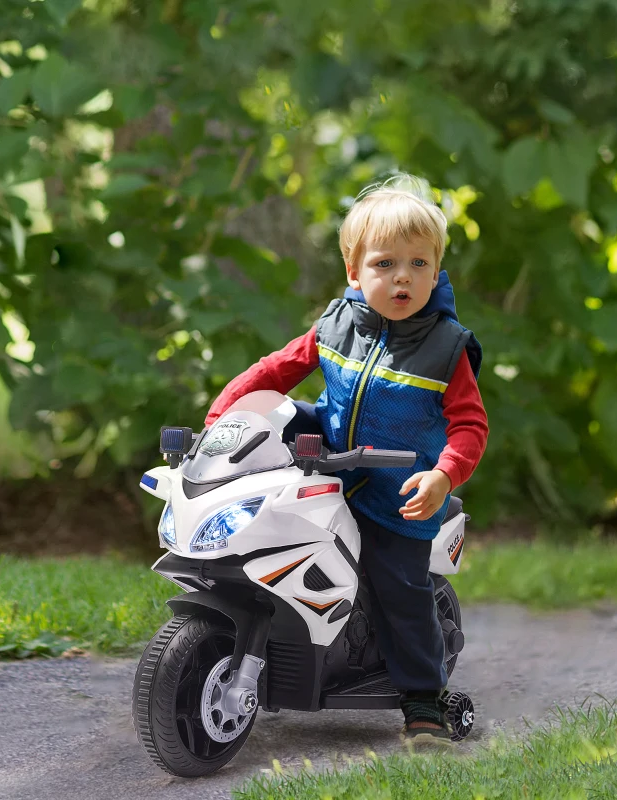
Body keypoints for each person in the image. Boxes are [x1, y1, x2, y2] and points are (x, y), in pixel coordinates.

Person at [204, 173, 488, 746]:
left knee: (398, 587)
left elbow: (470, 425)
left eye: (418, 264)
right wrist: (223, 417)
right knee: (271, 469)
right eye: (385, 264)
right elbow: (276, 370)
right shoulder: (335, 324)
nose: (402, 276)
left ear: (436, 271)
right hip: (327, 463)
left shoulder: (446, 347)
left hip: (396, 495)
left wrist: (442, 475)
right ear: (354, 271)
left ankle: (422, 701)